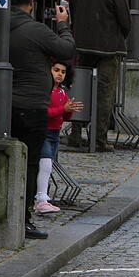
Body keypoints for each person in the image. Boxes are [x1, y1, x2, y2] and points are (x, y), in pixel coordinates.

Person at [0, 0, 76, 240]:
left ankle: (1, 212)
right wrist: (63, 24)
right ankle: (23, 219)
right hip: (32, 106)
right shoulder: (36, 30)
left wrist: (1, 89)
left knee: (5, 158)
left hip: (3, 108)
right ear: (31, 3)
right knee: (31, 163)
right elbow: (66, 49)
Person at [68, 0, 131, 151]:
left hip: (81, 45)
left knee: (79, 90)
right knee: (104, 94)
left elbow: (73, 12)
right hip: (108, 48)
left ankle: (75, 133)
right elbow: (126, 23)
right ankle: (98, 139)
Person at [36, 61, 83, 214]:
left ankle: (42, 196)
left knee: (47, 164)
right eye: (56, 70)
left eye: (62, 72)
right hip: (44, 131)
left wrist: (69, 109)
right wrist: (64, 109)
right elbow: (46, 113)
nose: (59, 74)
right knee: (46, 163)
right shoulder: (46, 91)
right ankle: (41, 198)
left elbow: (65, 116)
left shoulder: (62, 92)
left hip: (55, 132)